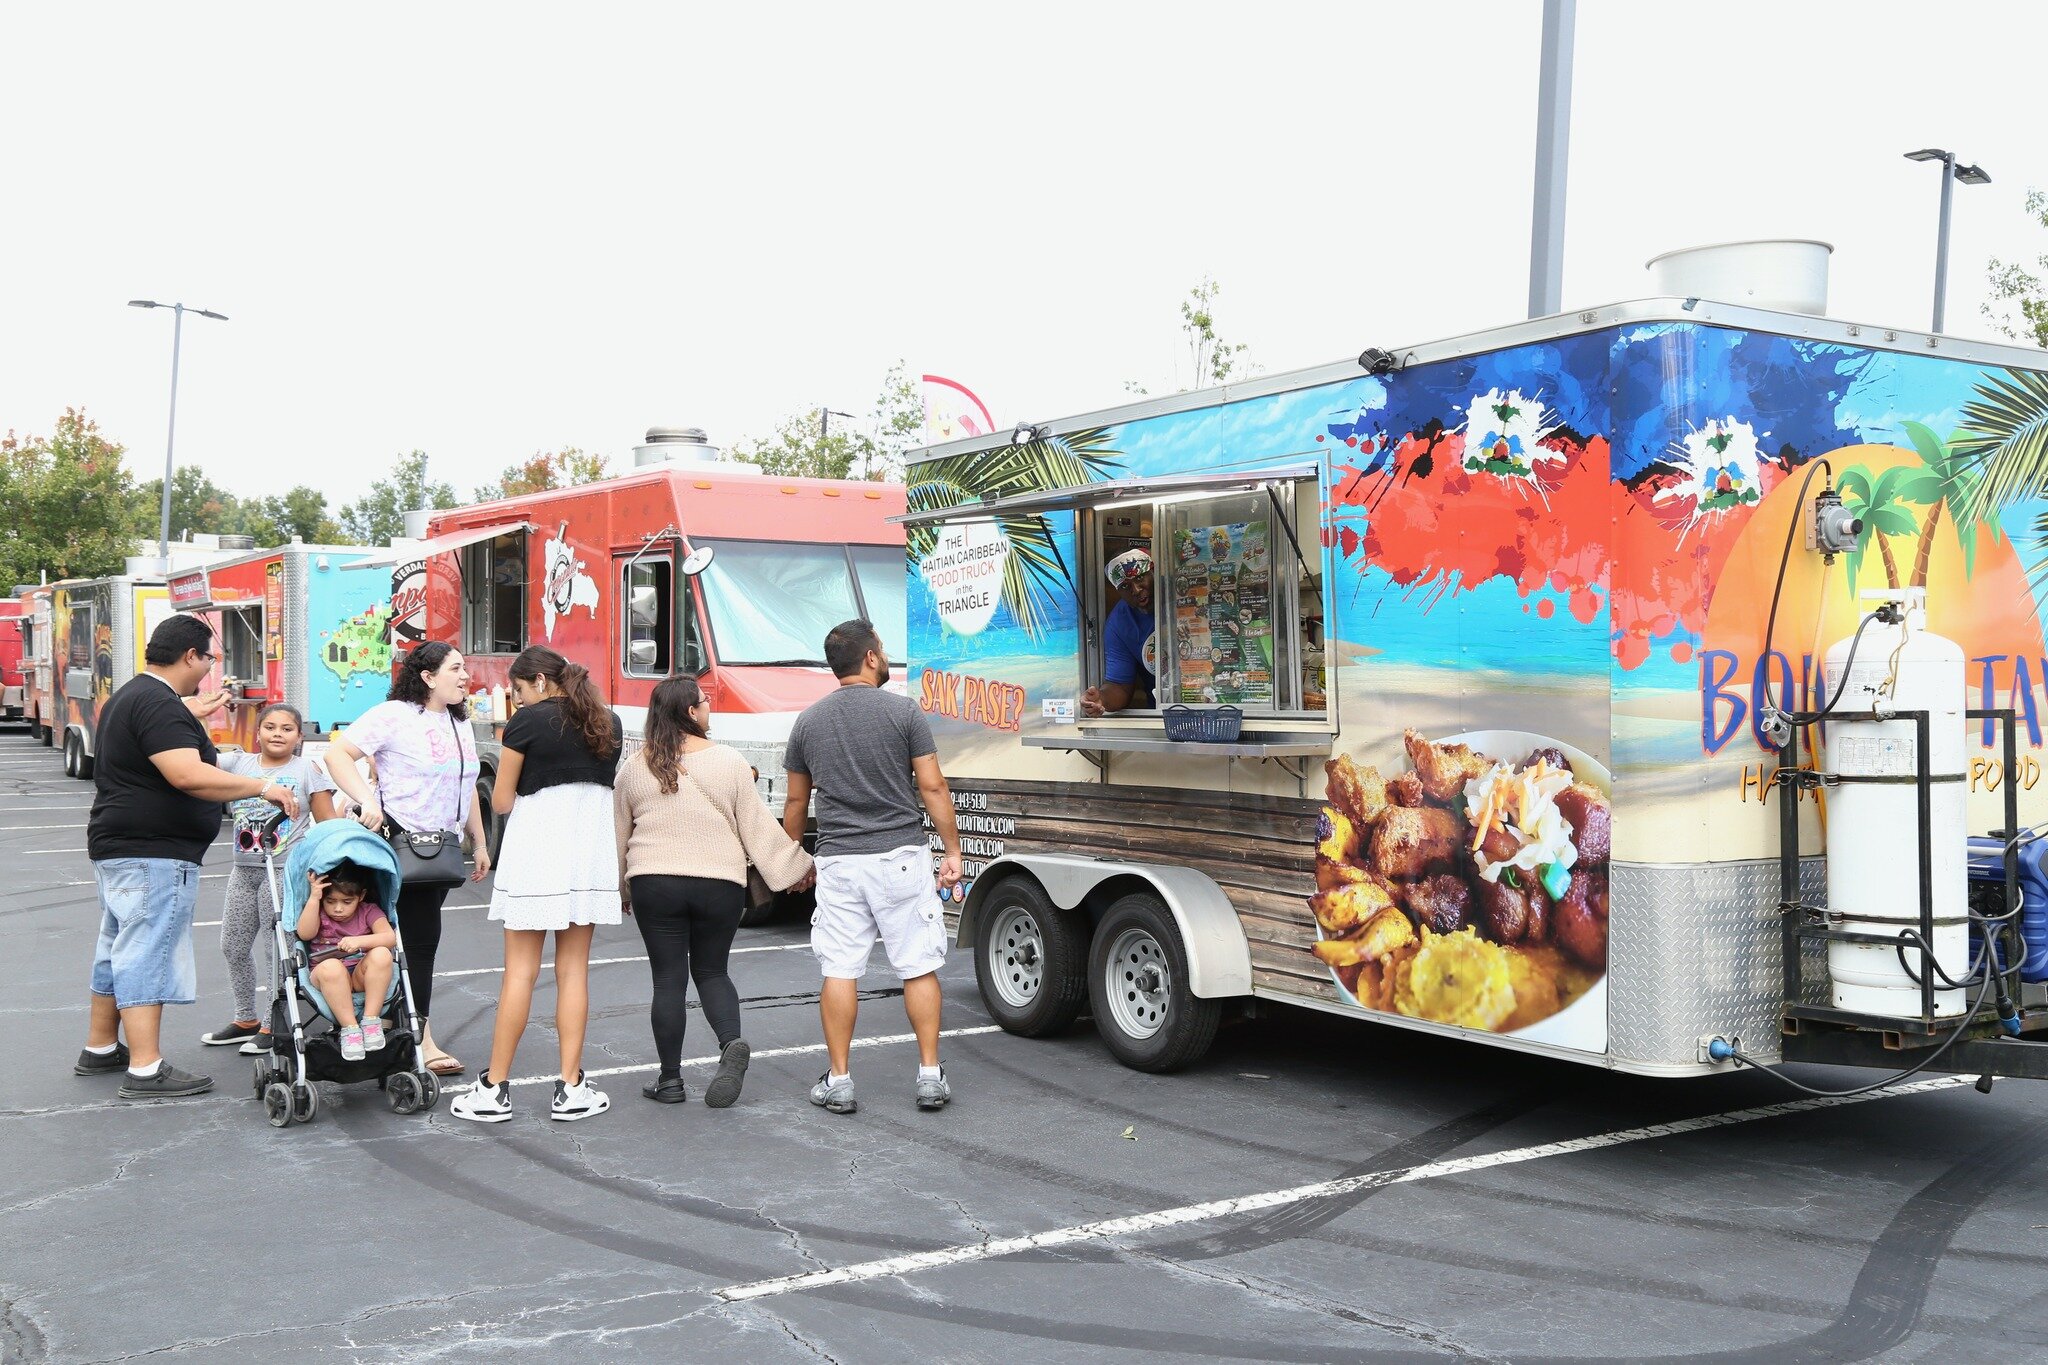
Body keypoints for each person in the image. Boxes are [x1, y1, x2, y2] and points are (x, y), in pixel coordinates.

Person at [75, 614, 299, 1100]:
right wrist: (264, 785)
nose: (210, 669)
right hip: (152, 851)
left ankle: (100, 1048)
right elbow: (187, 775)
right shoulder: (158, 704)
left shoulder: (135, 696)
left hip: (121, 844)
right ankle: (144, 1067)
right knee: (145, 949)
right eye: (209, 658)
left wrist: (189, 712)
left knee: (117, 945)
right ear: (190, 656)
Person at [783, 619, 962, 1115]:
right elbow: (932, 787)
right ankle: (929, 1075)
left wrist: (793, 861)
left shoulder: (808, 722)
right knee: (918, 966)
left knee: (839, 970)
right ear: (869, 657)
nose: (884, 658)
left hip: (840, 861)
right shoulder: (904, 712)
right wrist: (951, 850)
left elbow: (797, 803)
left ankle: (839, 1081)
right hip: (900, 857)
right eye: (881, 651)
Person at [616, 674, 812, 1106]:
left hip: (655, 880)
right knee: (712, 971)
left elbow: (620, 833)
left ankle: (670, 1082)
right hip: (719, 884)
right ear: (691, 712)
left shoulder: (635, 767)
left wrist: (622, 888)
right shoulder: (729, 761)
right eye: (704, 701)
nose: (709, 708)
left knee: (667, 979)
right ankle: (729, 1044)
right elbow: (757, 827)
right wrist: (797, 866)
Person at [452, 646, 624, 1125]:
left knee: (520, 973)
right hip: (587, 862)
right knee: (574, 973)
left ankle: (494, 1088)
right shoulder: (608, 722)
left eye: (519, 690)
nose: (518, 699)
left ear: (541, 683)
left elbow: (502, 801)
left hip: (536, 859)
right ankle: (571, 1087)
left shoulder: (526, 723)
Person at [323, 641, 491, 1076]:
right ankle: (418, 1036)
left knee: (418, 942)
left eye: (464, 668)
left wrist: (479, 839)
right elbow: (337, 753)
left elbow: (466, 781)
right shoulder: (394, 715)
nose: (464, 675)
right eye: (455, 668)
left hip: (441, 849)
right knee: (413, 940)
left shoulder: (459, 722)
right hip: (396, 843)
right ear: (428, 676)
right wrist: (364, 799)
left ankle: (394, 1023)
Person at [201, 703, 337, 1050]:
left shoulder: (307, 768)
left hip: (284, 869)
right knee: (232, 946)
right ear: (257, 733)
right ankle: (245, 1017)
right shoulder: (239, 763)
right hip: (244, 870)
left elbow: (328, 824)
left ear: (299, 737)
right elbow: (198, 760)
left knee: (276, 951)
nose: (278, 734)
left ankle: (272, 1023)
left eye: (287, 729)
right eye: (270, 727)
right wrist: (199, 717)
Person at [296, 861, 396, 1062]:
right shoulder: (319, 912)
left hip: (359, 973)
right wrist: (315, 899)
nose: (338, 909)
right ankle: (350, 1030)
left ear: (361, 896)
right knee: (332, 967)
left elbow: (389, 937)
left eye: (346, 902)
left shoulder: (369, 911)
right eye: (331, 901)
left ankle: (370, 1020)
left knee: (382, 954)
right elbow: (305, 934)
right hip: (326, 976)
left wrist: (359, 941)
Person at [1080, 547, 1156, 717]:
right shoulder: (1119, 624)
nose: (1136, 589)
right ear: (1118, 591)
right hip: (1164, 712)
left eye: (1139, 577)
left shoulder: (1183, 594)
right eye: (1125, 586)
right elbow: (1120, 685)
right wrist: (1101, 700)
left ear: (1153, 571)